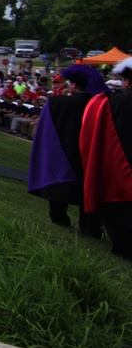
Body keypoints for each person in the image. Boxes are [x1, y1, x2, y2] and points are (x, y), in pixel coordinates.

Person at [28, 64, 108, 236]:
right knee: (88, 192)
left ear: (72, 84)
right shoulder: (100, 106)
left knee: (59, 190)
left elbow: (45, 130)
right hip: (89, 156)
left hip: (61, 152)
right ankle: (89, 227)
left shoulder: (56, 102)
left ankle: (59, 218)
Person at [80, 57, 132, 260]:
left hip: (117, 171)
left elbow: (91, 138)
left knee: (120, 217)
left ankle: (122, 247)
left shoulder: (108, 103)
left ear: (126, 81)